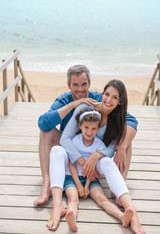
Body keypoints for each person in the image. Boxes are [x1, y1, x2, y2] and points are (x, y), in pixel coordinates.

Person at [48, 80, 145, 234]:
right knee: (56, 151)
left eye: (114, 97)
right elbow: (65, 139)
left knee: (107, 161)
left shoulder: (118, 119)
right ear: (102, 93)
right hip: (77, 161)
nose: (108, 100)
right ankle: (57, 207)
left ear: (120, 102)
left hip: (97, 162)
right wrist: (84, 162)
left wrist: (96, 155)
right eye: (107, 94)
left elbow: (111, 148)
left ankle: (131, 211)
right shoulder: (85, 109)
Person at [34, 65, 137, 206]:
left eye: (84, 84)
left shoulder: (98, 99)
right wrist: (73, 105)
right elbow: (43, 123)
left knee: (126, 137)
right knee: (45, 132)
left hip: (95, 147)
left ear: (89, 83)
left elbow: (131, 120)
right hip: (70, 144)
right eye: (75, 85)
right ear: (68, 85)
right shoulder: (63, 100)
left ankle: (120, 186)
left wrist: (121, 147)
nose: (80, 89)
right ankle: (47, 185)